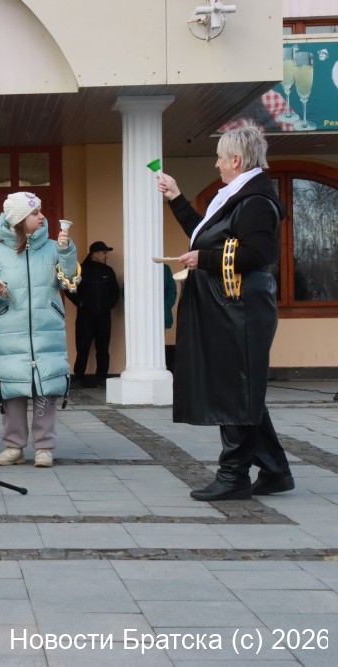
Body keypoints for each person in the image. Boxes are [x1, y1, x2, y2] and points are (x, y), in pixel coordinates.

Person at [157, 124, 293, 501]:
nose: (216, 164)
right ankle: (275, 471)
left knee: (236, 390)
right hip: (230, 305)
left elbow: (257, 255)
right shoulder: (237, 197)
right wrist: (175, 197)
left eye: (219, 158)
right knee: (241, 389)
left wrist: (204, 259)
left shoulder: (256, 202)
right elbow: (202, 235)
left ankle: (233, 476)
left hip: (241, 306)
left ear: (236, 159)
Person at [0, 192, 78, 468]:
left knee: (46, 389)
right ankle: (14, 447)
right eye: (35, 213)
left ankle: (44, 447)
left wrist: (67, 252)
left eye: (40, 211)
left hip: (47, 331)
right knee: (12, 391)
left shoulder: (55, 247)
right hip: (9, 335)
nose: (42, 216)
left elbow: (70, 281)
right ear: (19, 219)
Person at [69, 240, 120, 388]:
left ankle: (102, 378)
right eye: (104, 253)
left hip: (104, 317)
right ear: (94, 254)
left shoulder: (108, 271)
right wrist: (80, 303)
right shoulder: (80, 270)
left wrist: (110, 304)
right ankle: (78, 377)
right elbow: (69, 289)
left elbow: (115, 291)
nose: (106, 256)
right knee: (82, 348)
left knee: (103, 349)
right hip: (85, 317)